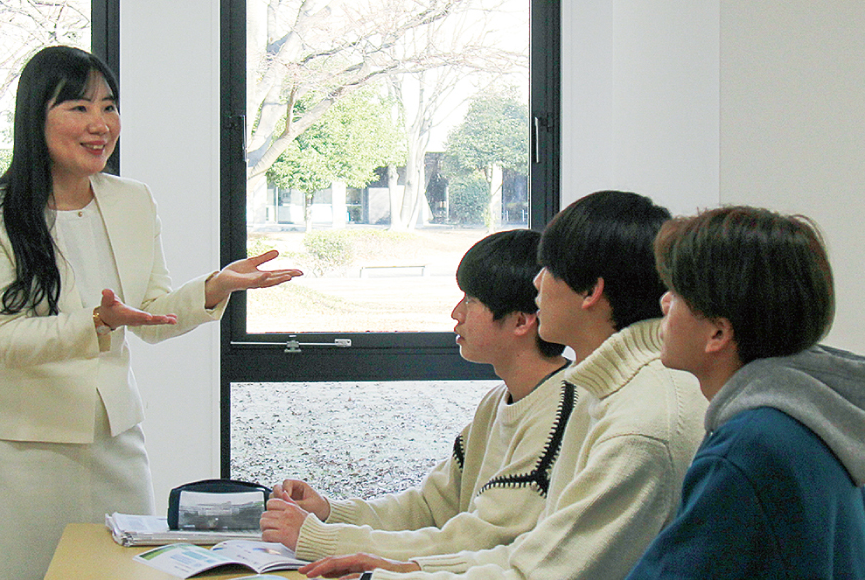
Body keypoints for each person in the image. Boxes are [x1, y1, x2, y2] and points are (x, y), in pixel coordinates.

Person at [0, 46, 301, 580]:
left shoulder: (132, 199)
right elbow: (5, 339)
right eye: (79, 108)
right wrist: (97, 323)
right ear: (34, 119)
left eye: (109, 107)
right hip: (20, 447)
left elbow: (153, 314)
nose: (101, 125)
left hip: (114, 440)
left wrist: (213, 287)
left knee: (126, 574)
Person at [299, 190, 706, 580]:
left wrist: (352, 554)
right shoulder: (604, 392)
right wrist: (406, 567)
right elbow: (530, 552)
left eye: (548, 271)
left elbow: (539, 570)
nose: (536, 284)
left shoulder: (640, 422)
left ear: (590, 291)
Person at [260, 229, 572, 561]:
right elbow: (428, 507)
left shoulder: (562, 414)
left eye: (470, 300)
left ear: (522, 320)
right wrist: (328, 512)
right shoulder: (497, 402)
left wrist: (319, 538)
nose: (457, 314)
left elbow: (476, 543)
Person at [623, 206, 865, 579]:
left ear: (718, 333)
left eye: (678, 293)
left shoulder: (748, 448)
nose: (664, 303)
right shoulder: (811, 425)